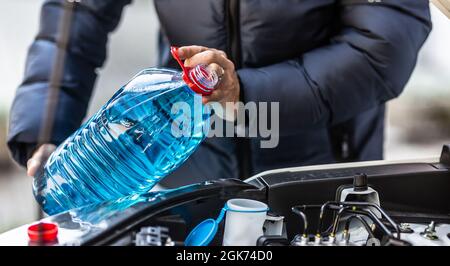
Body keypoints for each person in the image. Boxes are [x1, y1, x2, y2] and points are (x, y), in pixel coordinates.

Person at [8, 0, 431, 188]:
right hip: (185, 167)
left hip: (320, 175)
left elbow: (381, 48)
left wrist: (242, 93)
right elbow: (75, 12)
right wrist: (45, 129)